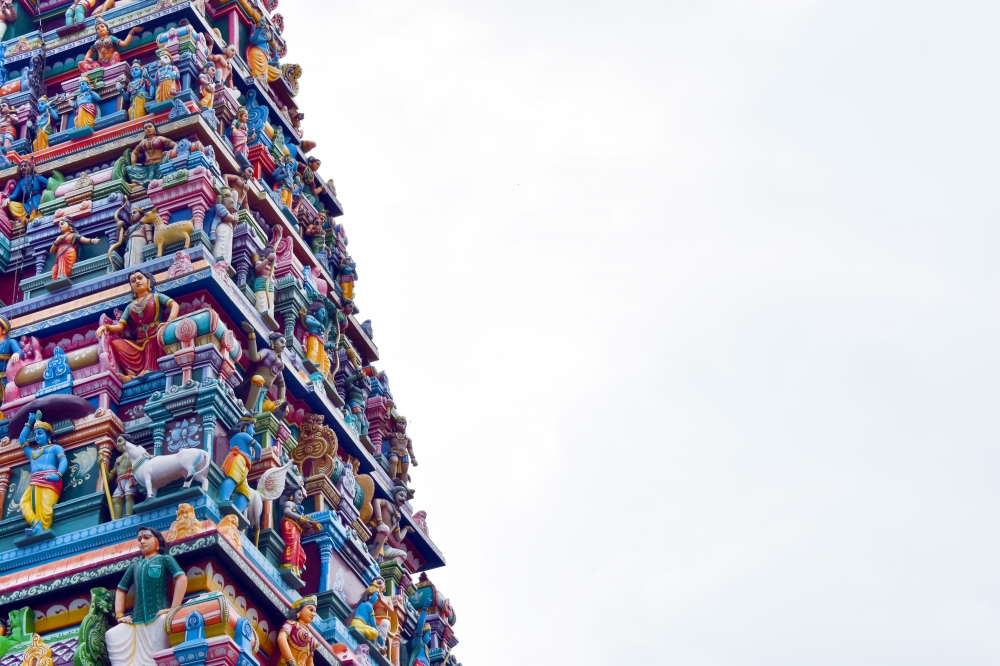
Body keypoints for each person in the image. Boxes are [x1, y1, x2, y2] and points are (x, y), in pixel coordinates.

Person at [107, 526, 187, 666]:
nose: (142, 541)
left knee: (163, 624)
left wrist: (174, 608)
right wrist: (120, 615)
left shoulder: (164, 559)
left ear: (158, 542)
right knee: (112, 635)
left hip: (157, 616)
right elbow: (121, 589)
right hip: (136, 620)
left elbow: (181, 578)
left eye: (147, 537)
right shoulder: (135, 566)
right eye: (139, 539)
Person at [96, 269, 179, 381]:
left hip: (156, 336)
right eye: (133, 280)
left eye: (140, 278)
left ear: (148, 282)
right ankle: (131, 375)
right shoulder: (130, 306)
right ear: (132, 287)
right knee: (116, 344)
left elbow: (174, 304)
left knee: (153, 341)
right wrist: (105, 327)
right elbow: (120, 327)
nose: (137, 281)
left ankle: (151, 369)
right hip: (139, 342)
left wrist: (169, 322)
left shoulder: (156, 297)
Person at [18, 411, 67, 535]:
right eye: (35, 434)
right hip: (35, 481)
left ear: (48, 436)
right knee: (24, 502)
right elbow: (22, 439)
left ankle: (43, 527)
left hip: (49, 479)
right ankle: (36, 523)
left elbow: (63, 460)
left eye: (40, 433)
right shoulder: (32, 453)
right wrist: (29, 423)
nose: (37, 436)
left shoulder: (55, 448)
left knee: (46, 509)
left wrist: (58, 475)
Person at [239, 322, 286, 414]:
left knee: (283, 408)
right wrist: (252, 335)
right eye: (281, 341)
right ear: (273, 342)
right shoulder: (267, 352)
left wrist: (281, 400)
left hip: (263, 392)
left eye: (285, 343)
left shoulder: (279, 364)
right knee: (258, 379)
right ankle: (247, 415)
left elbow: (282, 385)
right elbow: (254, 357)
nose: (284, 345)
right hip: (254, 385)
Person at [218, 417, 261, 512]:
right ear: (245, 427)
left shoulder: (237, 437)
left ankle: (236, 511)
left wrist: (251, 458)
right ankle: (223, 499)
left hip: (244, 464)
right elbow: (258, 447)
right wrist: (258, 458)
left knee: (245, 492)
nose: (253, 432)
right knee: (233, 478)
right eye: (252, 428)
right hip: (239, 459)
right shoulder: (244, 435)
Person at [279, 487, 320, 578]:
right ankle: (287, 565)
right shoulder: (289, 503)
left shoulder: (300, 511)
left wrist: (309, 531)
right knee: (292, 545)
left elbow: (302, 530)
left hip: (297, 530)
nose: (301, 497)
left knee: (301, 554)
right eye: (299, 494)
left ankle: (294, 569)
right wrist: (301, 519)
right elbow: (286, 512)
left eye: (302, 496)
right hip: (289, 525)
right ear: (291, 496)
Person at [125, 122, 177, 186]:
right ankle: (137, 183)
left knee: (168, 164)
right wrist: (134, 163)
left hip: (160, 164)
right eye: (145, 128)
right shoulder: (143, 142)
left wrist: (170, 152)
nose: (148, 129)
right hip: (147, 167)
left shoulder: (160, 138)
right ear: (144, 131)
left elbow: (175, 145)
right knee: (129, 168)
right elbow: (134, 153)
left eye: (150, 126)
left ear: (154, 128)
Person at [277, 596, 317, 666]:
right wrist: (289, 659)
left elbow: (309, 662)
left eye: (314, 612)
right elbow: (281, 638)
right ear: (300, 610)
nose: (313, 614)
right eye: (310, 610)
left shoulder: (310, 638)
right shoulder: (291, 624)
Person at [109, 436, 138, 518]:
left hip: (129, 479)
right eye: (117, 442)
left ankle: (129, 515)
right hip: (119, 482)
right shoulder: (118, 459)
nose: (117, 444)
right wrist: (102, 466)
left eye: (120, 441)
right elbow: (111, 475)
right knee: (115, 499)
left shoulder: (133, 453)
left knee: (129, 496)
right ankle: (116, 520)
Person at [210, 190, 238, 265]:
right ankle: (216, 257)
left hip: (229, 230)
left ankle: (226, 263)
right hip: (222, 228)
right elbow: (228, 217)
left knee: (228, 247)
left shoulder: (232, 212)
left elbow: (233, 224)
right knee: (221, 243)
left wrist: (234, 222)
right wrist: (234, 217)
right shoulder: (220, 206)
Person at [0, 315, 22, 406]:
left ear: (4, 330)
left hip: (6, 377)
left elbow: (20, 352)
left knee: (7, 396)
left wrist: (17, 354)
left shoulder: (10, 342)